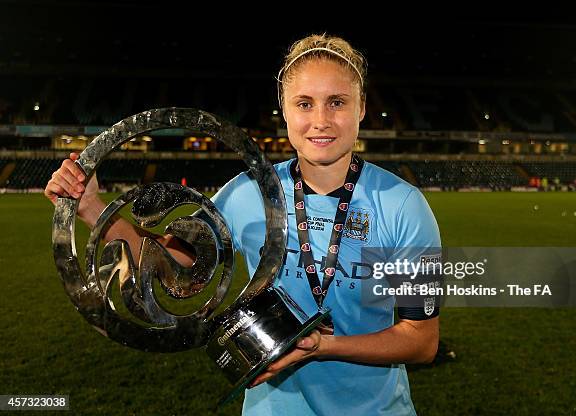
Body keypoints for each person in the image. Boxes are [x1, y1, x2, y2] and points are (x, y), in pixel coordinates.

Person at [44, 34, 441, 416]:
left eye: (337, 102)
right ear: (284, 110)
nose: (320, 120)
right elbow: (171, 267)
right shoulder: (247, 193)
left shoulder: (403, 205)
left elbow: (421, 341)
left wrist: (324, 346)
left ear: (362, 108)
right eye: (304, 104)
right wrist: (92, 207)